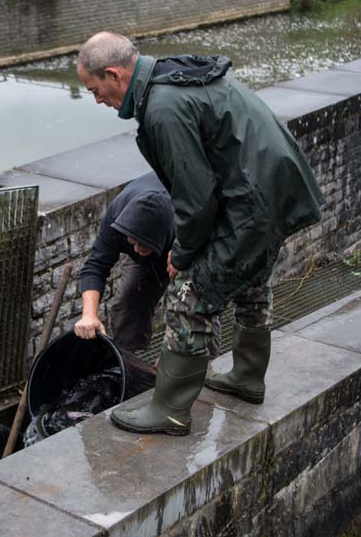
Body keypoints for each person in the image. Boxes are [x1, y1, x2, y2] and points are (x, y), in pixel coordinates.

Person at [77, 32, 324, 436]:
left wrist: (183, 252)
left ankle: (170, 411)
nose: (97, 99)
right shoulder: (171, 77)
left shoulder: (162, 107)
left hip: (253, 201)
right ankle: (247, 378)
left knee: (189, 297)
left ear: (114, 74)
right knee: (250, 280)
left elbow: (195, 194)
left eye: (95, 90)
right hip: (275, 189)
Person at [74, 171, 175, 353]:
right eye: (132, 243)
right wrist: (89, 315)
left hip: (191, 250)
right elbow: (96, 266)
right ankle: (128, 363)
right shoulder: (118, 218)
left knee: (195, 312)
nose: (135, 250)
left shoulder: (189, 221)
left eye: (141, 245)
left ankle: (201, 370)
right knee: (128, 304)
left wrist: (174, 353)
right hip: (156, 247)